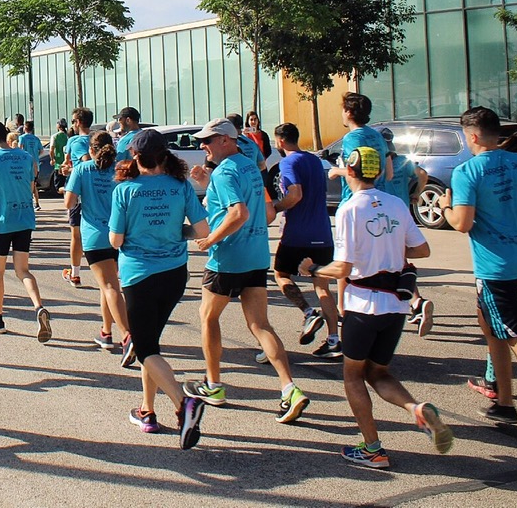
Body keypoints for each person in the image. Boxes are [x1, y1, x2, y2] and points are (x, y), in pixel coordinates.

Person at [302, 146, 451, 468]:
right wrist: (390, 250)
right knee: (378, 372)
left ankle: (372, 448)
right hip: (396, 306)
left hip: (363, 303)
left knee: (353, 376)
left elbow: (342, 268)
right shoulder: (396, 204)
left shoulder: (349, 209)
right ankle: (416, 409)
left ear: (350, 171)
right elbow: (422, 249)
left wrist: (313, 270)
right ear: (378, 172)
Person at [438, 106, 517, 455]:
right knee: (490, 325)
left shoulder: (467, 171)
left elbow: (463, 223)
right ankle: (505, 403)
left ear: (473, 136)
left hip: (495, 267)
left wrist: (446, 208)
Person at [186, 118, 310, 423]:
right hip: (256, 255)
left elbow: (238, 213)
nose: (203, 146)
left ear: (226, 140)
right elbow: (265, 211)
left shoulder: (226, 172)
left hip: (228, 257)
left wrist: (210, 238)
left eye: (209, 140)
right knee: (260, 325)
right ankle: (289, 388)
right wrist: (207, 183)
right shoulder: (248, 166)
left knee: (207, 316)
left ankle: (213, 385)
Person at [110, 129, 210, 448]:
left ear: (135, 157)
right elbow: (201, 230)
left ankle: (184, 404)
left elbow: (116, 240)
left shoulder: (125, 190)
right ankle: (147, 410)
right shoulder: (180, 185)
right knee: (151, 345)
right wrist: (171, 232)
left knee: (144, 348)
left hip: (139, 276)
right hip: (174, 275)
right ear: (165, 155)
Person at [269, 122, 341, 360]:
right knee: (322, 286)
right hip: (322, 233)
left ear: (280, 141)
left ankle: (308, 312)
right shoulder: (313, 160)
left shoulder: (288, 162)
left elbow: (295, 193)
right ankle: (334, 339)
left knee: (281, 274)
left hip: (298, 234)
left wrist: (276, 208)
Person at [0, 120, 52, 342]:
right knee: (23, 271)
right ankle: (39, 306)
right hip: (25, 218)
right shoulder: (25, 157)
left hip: (3, 221)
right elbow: (30, 184)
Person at [66, 131, 133, 367]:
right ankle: (106, 332)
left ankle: (127, 335)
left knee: (110, 286)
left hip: (95, 236)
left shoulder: (83, 169)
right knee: (108, 285)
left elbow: (69, 202)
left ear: (91, 150)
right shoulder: (121, 168)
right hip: (119, 233)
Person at [380, 127, 435, 336]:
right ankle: (415, 303)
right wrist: (416, 194)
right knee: (399, 259)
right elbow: (422, 174)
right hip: (403, 212)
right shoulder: (403, 159)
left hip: (386, 215)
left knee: (397, 261)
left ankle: (417, 303)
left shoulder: (381, 161)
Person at [327, 93, 390, 202]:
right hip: (380, 197)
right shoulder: (377, 135)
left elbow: (359, 170)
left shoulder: (351, 138)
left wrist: (336, 171)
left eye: (343, 110)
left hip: (356, 198)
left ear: (348, 112)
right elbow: (389, 172)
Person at [60, 107, 94, 286]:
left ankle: (75, 273)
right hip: (98, 191)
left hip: (78, 192)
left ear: (79, 122)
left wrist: (70, 170)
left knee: (76, 234)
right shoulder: (98, 139)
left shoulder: (76, 141)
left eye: (73, 121)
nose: (72, 124)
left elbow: (87, 162)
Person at [18, 121, 44, 210]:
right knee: (34, 184)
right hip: (35, 164)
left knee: (24, 184)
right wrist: (36, 157)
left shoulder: (22, 138)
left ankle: (26, 202)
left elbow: (19, 149)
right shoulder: (36, 139)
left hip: (25, 164)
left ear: (25, 128)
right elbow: (42, 150)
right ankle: (37, 203)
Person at [50, 118, 69, 192]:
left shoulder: (55, 136)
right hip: (67, 164)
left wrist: (52, 159)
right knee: (65, 183)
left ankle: (67, 191)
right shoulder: (68, 136)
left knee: (58, 187)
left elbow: (51, 149)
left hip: (58, 164)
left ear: (59, 126)